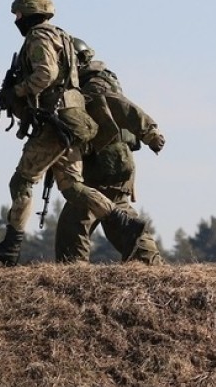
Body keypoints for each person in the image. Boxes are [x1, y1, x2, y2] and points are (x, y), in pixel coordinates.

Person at [0, 0, 148, 266]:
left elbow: (46, 74)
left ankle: (11, 245)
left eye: (18, 14)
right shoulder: (62, 36)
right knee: (73, 188)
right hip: (73, 122)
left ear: (29, 13)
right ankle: (123, 223)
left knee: (21, 181)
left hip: (56, 123)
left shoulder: (38, 36)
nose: (16, 20)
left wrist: (17, 91)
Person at [55, 38, 166, 265]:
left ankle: (72, 272)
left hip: (107, 162)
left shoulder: (94, 85)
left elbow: (121, 106)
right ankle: (149, 263)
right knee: (117, 214)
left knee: (76, 219)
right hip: (112, 161)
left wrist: (150, 132)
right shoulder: (87, 83)